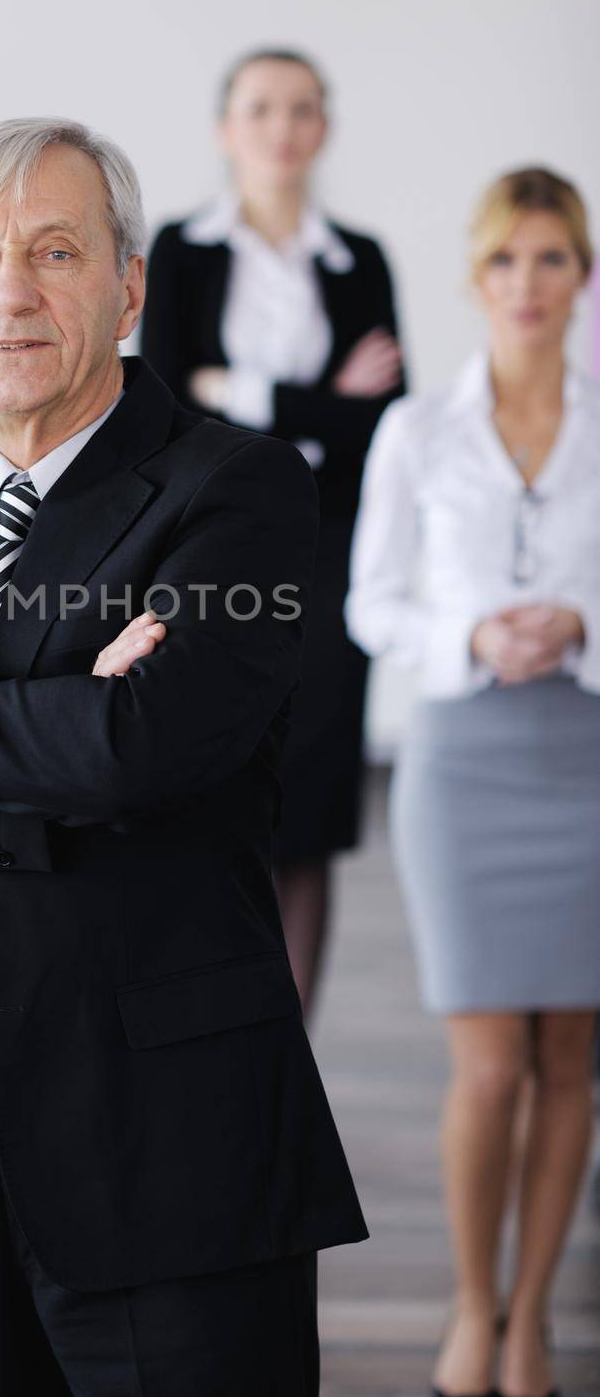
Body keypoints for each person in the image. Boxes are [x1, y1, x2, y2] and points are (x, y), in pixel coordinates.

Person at [0, 117, 367, 1397]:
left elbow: (140, 749)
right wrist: (49, 740)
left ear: (128, 284)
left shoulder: (237, 489)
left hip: (161, 1135)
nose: (10, 292)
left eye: (53, 250)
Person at [347, 167, 600, 1397]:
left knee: (569, 1059)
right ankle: (469, 1302)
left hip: (586, 752)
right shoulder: (416, 430)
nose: (527, 285)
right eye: (505, 260)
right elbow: (369, 603)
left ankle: (533, 1316)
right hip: (460, 759)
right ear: (474, 277)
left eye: (551, 259)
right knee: (489, 1062)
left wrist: (580, 621)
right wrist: (471, 640)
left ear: (580, 275)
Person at [142, 47, 404, 1019]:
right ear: (224, 128)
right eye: (258, 108)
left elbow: (386, 421)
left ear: (323, 127)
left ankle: (284, 1048)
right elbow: (165, 399)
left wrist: (239, 390)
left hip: (329, 554)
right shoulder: (178, 249)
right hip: (201, 549)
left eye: (300, 109)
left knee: (309, 798)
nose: (280, 127)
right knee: (203, 784)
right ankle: (205, 1034)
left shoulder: (357, 260)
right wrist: (314, 404)